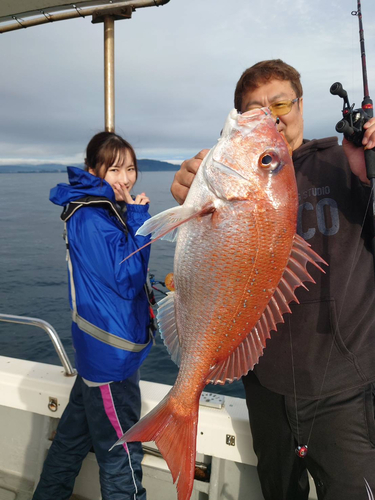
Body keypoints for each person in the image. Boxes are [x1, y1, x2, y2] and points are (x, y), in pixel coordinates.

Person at [171, 59, 375, 500]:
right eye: (253, 109)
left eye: (281, 102)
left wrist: (369, 173)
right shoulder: (228, 170)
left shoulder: (348, 164)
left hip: (344, 392)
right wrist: (193, 200)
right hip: (264, 390)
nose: (273, 115)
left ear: (302, 105)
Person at [33, 131, 153, 500]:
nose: (126, 178)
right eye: (114, 169)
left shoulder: (98, 208)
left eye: (130, 168)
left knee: (70, 444)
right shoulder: (93, 216)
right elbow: (128, 277)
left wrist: (129, 214)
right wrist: (139, 218)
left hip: (99, 353)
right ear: (93, 170)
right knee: (121, 459)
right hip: (110, 361)